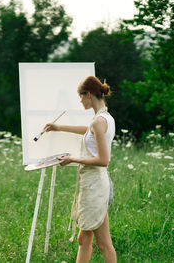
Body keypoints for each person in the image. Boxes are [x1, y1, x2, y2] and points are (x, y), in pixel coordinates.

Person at [45, 76, 117, 263]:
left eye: (81, 96)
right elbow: (88, 130)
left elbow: (103, 160)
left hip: (96, 186)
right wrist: (58, 127)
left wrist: (71, 159)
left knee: (104, 244)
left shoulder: (98, 122)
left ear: (89, 94)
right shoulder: (104, 118)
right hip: (94, 184)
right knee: (84, 239)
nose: (80, 100)